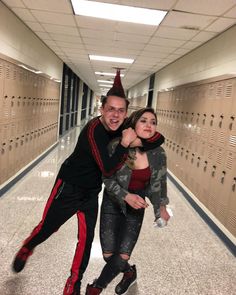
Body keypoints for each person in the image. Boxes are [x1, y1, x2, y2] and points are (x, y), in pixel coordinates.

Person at [12, 71, 165, 295]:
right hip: (69, 186)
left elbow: (157, 138)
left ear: (126, 113)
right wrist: (124, 143)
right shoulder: (93, 131)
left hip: (91, 193)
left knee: (85, 239)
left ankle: (73, 284)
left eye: (121, 110)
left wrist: (139, 138)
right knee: (49, 227)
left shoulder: (122, 128)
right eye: (111, 109)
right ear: (102, 109)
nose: (115, 115)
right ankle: (28, 246)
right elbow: (107, 168)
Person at [86, 107, 170, 295]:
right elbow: (107, 178)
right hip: (112, 202)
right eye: (143, 120)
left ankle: (96, 287)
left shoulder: (158, 153)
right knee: (109, 255)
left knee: (123, 254)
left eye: (153, 122)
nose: (149, 125)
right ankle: (129, 273)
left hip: (136, 205)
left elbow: (159, 184)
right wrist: (126, 196)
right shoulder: (118, 145)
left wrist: (160, 208)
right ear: (133, 123)